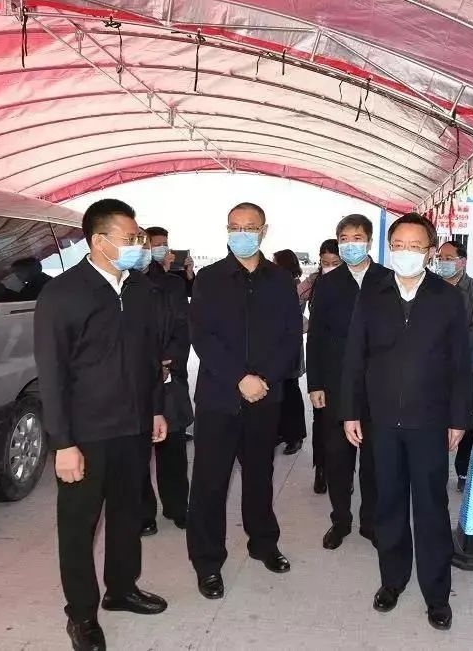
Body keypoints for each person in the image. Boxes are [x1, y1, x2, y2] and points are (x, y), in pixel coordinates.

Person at [34, 199, 169, 651]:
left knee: (128, 515)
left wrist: (155, 409)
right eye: (130, 239)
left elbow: (150, 358)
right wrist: (63, 443)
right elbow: (51, 373)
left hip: (133, 427)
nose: (138, 246)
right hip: (85, 434)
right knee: (79, 526)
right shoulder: (62, 294)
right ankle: (82, 614)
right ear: (99, 241)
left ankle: (122, 589)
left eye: (140, 238)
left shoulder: (140, 290)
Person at [342, 212, 471, 632]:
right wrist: (351, 410)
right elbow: (354, 357)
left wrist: (459, 417)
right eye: (398, 246)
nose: (406, 253)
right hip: (380, 420)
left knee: (431, 507)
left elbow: (460, 363)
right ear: (389, 248)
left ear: (430, 251)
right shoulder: (373, 293)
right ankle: (392, 580)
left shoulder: (447, 298)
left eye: (415, 247)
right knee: (388, 503)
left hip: (429, 420)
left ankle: (437, 593)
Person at [186, 202, 301, 600]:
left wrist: (263, 380)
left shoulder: (280, 280)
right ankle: (207, 562)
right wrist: (239, 378)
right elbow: (202, 337)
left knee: (259, 475)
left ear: (263, 231)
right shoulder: (209, 278)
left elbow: (291, 337)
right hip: (219, 397)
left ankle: (263, 543)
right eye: (235, 226)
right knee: (210, 481)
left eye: (249, 227)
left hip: (265, 397)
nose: (242, 233)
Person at [307, 217, 387, 549]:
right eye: (344, 238)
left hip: (379, 386)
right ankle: (340, 520)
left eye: (357, 237)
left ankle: (371, 521)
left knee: (375, 460)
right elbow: (316, 336)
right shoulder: (328, 283)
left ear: (369, 241)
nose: (350, 244)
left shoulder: (388, 279)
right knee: (338, 458)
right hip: (336, 384)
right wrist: (315, 383)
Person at [137, 226, 193, 535]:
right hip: (133, 380)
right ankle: (143, 512)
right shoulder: (120, 284)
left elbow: (183, 328)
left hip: (168, 375)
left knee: (172, 446)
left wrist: (168, 361)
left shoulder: (172, 284)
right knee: (137, 451)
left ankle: (177, 506)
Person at [433, 241, 473, 491]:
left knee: (464, 417)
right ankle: (433, 468)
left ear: (462, 261)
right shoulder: (429, 286)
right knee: (432, 416)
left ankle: (463, 469)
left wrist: (451, 348)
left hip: (464, 366)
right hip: (430, 367)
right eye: (440, 258)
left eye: (449, 258)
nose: (443, 262)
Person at [300, 238, 342, 494]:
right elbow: (290, 302)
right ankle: (321, 469)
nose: (329, 267)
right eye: (325, 262)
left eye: (334, 263)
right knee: (322, 422)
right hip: (323, 364)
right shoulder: (314, 282)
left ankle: (343, 474)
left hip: (346, 364)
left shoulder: (355, 283)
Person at [272, 249, 309, 456]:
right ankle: (281, 431)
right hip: (274, 349)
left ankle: (295, 435)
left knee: (290, 393)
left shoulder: (295, 286)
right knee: (279, 392)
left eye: (275, 261)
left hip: (289, 348)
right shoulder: (279, 283)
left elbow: (299, 319)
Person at [141, 225, 197, 297]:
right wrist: (164, 269)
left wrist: (189, 273)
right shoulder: (143, 268)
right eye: (158, 245)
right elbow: (146, 291)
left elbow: (192, 293)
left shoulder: (176, 266)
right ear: (147, 247)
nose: (163, 248)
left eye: (165, 244)